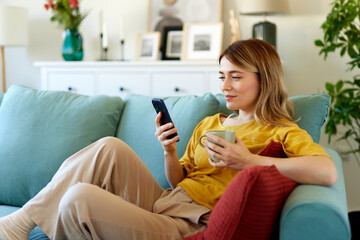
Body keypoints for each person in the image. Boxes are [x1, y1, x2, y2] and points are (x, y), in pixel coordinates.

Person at [0, 39, 338, 240]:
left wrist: (247, 160)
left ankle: (22, 225)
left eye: (236, 77)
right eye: (222, 76)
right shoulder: (212, 122)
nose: (225, 86)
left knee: (79, 199)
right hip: (168, 199)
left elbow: (327, 172)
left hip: (189, 223)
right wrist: (169, 150)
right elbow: (179, 178)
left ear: (264, 80)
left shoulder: (280, 130)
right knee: (109, 147)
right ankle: (21, 223)